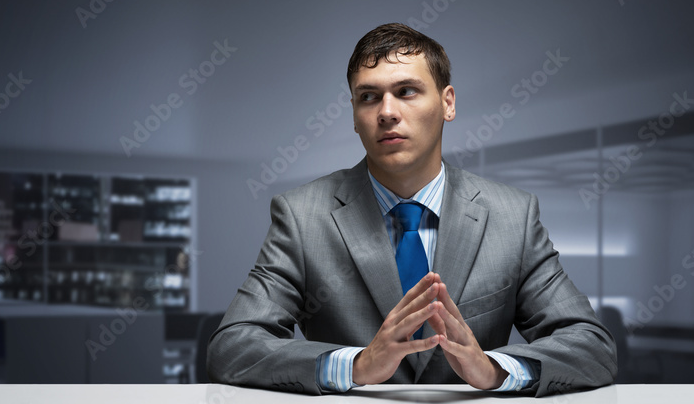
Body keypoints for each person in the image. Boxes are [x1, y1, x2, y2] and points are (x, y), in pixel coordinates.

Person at [207, 23, 617, 396]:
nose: (386, 111)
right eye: (368, 97)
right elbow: (233, 346)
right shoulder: (302, 216)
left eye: (406, 91)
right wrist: (354, 365)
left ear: (448, 103)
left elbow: (591, 346)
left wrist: (494, 370)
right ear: (354, 115)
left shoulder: (513, 216)